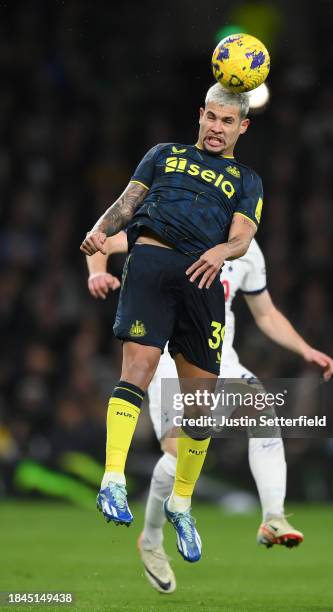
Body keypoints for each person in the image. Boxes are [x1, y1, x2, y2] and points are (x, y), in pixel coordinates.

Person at [87, 232, 333, 593]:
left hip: (223, 361)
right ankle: (152, 539)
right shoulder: (173, 225)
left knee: (263, 411)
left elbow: (265, 313)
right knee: (176, 455)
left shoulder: (247, 249)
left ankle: (273, 517)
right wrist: (97, 272)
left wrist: (305, 349)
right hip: (173, 360)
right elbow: (102, 241)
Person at [80, 83, 263, 563]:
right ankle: (113, 481)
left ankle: (182, 504)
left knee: (199, 410)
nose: (217, 128)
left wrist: (221, 250)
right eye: (212, 118)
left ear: (242, 126)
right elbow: (127, 203)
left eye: (228, 122)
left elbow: (242, 237)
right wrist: (100, 233)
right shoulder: (164, 154)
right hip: (151, 265)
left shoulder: (247, 180)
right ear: (200, 115)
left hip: (203, 278)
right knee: (136, 370)